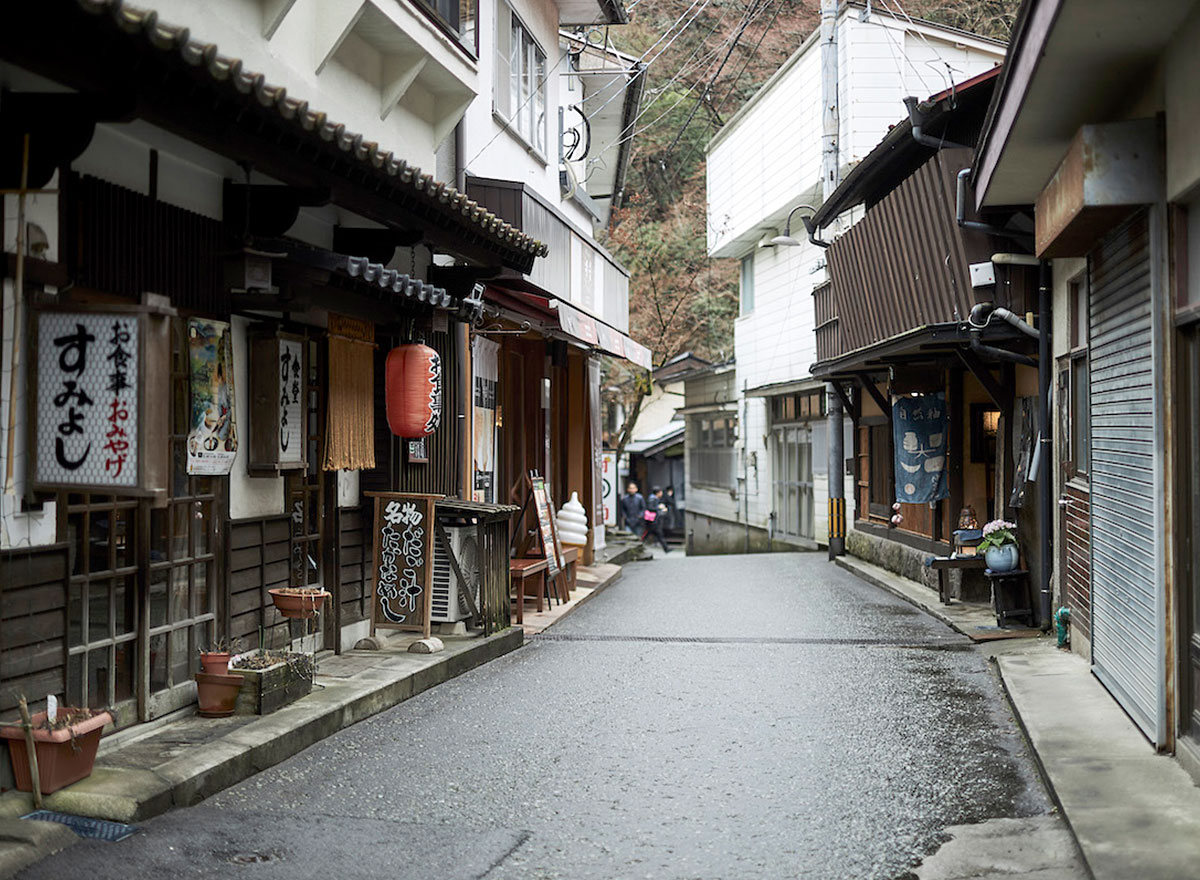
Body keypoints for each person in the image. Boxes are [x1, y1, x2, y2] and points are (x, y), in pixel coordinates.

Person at [641, 487, 670, 553]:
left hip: (653, 521)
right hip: (652, 521)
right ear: (658, 493)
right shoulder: (652, 499)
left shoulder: (653, 498)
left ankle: (666, 548)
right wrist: (659, 508)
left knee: (657, 534)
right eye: (661, 492)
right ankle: (666, 548)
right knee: (650, 534)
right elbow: (651, 508)